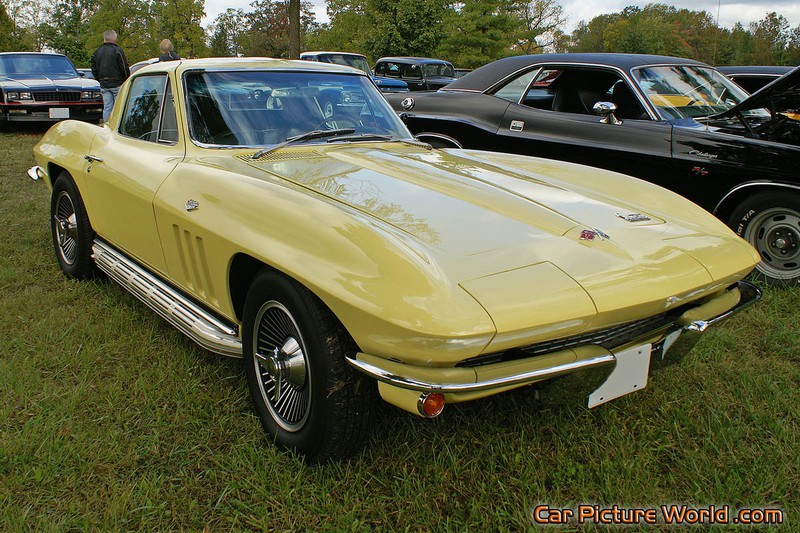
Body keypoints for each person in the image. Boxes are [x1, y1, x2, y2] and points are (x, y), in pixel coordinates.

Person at [90, 30, 130, 123]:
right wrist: (126, 79)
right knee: (119, 108)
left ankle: (106, 126)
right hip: (117, 83)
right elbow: (124, 67)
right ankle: (117, 126)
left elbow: (93, 68)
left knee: (107, 107)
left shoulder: (97, 52)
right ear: (114, 38)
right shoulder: (118, 51)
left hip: (104, 84)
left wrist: (99, 79)